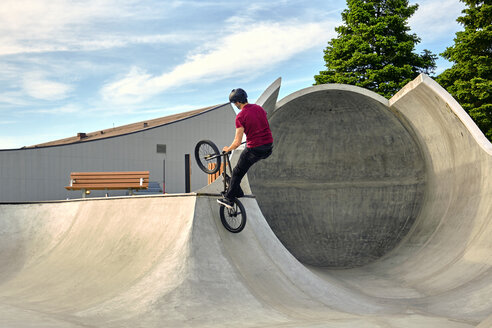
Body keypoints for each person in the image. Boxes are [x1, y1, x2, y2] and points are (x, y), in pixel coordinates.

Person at [217, 88, 273, 209]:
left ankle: (229, 199)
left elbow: (237, 142)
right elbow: (261, 123)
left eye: (234, 103)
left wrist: (228, 149)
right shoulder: (259, 108)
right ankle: (238, 191)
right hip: (268, 147)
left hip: (255, 149)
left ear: (237, 102)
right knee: (241, 169)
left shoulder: (240, 116)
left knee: (237, 171)